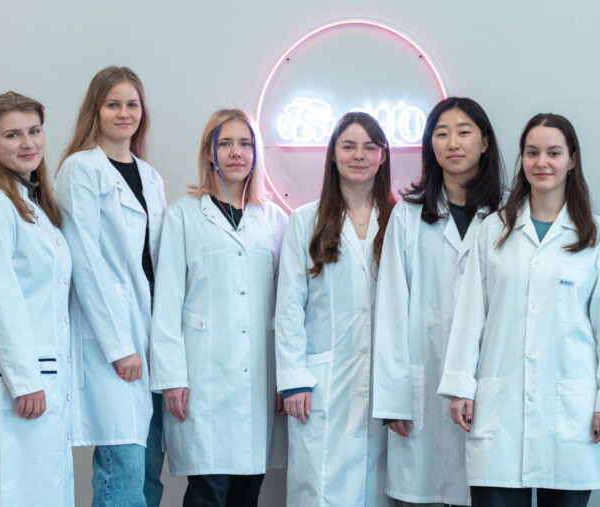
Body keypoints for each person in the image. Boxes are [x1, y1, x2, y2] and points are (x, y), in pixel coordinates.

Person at [437, 113, 600, 507]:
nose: (542, 162)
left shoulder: (598, 237)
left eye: (553, 153)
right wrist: (460, 386)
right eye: (532, 152)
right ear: (522, 159)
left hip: (571, 410)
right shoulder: (494, 230)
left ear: (572, 160)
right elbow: (470, 314)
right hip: (500, 407)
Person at [150, 108, 288, 507]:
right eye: (224, 143)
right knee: (207, 491)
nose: (235, 152)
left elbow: (286, 306)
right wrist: (171, 377)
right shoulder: (184, 214)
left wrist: (285, 378)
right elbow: (167, 301)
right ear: (209, 153)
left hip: (258, 377)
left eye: (245, 144)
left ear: (256, 154)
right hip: (202, 377)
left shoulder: (274, 220)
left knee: (248, 490)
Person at [372, 97, 504, 507]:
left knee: (487, 489)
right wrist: (394, 399)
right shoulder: (408, 214)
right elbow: (391, 309)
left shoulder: (507, 214)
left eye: (464, 132)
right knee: (423, 492)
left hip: (489, 381)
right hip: (423, 380)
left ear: (485, 142)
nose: (452, 143)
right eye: (441, 134)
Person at [0, 91, 73, 506]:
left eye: (34, 131)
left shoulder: (30, 206)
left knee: (40, 489)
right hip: (14, 380)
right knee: (8, 491)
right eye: (12, 135)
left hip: (40, 375)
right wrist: (25, 382)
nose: (28, 143)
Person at [54, 66, 167, 507]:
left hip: (150, 333)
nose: (124, 113)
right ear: (95, 111)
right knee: (123, 467)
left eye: (132, 104)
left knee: (149, 472)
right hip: (112, 341)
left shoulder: (150, 177)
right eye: (113, 104)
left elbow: (157, 261)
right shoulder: (80, 169)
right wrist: (119, 346)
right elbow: (85, 263)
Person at [275, 112, 395, 506]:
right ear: (332, 154)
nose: (359, 155)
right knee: (320, 490)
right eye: (348, 146)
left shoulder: (400, 220)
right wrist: (293, 379)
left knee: (376, 488)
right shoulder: (304, 220)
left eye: (369, 147)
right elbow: (289, 307)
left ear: (383, 156)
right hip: (321, 381)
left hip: (381, 383)